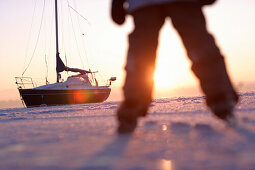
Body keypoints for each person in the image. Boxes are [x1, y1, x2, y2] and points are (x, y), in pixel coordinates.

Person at [111, 0, 239, 134]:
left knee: (198, 45)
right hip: (145, 4)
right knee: (142, 54)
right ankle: (133, 105)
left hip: (155, 4)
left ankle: (223, 99)